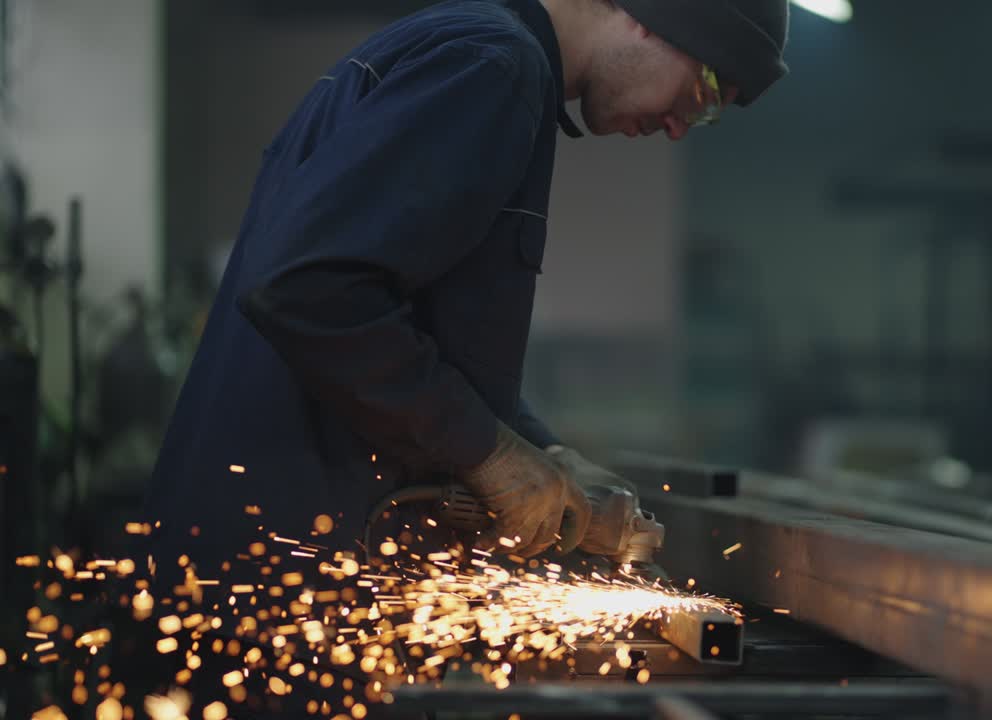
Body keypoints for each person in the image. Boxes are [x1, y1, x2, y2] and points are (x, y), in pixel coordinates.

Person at [141, 0, 790, 588]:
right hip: (277, 573)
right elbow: (308, 288)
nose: (683, 125)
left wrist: (545, 453)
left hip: (283, 558)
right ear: (656, 14)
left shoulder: (478, 58)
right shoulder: (490, 66)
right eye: (706, 92)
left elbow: (412, 328)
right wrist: (487, 451)